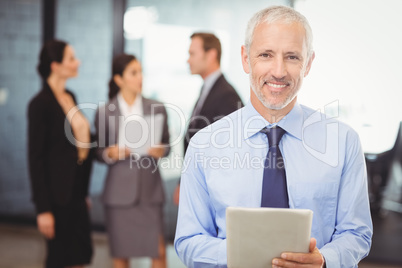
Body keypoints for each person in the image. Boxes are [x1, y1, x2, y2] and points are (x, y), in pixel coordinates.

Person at [174, 5, 372, 268]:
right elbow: (188, 240)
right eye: (266, 54)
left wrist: (324, 260)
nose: (279, 71)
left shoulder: (343, 142)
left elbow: (357, 233)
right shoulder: (203, 145)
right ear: (246, 58)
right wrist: (246, 254)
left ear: (309, 63)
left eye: (292, 57)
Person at [95, 54, 170, 268]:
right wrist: (110, 153)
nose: (140, 77)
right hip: (119, 194)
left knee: (159, 252)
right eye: (133, 73)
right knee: (121, 256)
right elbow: (98, 152)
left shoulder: (157, 107)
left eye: (140, 72)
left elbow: (167, 146)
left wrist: (160, 150)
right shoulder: (104, 112)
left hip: (150, 191)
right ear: (119, 79)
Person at [27, 40, 93, 268]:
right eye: (72, 58)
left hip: (76, 194)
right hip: (56, 198)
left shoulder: (70, 96)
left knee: (81, 256)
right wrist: (43, 209)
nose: (78, 62)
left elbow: (81, 146)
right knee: (60, 260)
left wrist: (82, 192)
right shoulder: (40, 104)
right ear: (55, 66)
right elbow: (35, 159)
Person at [173, 32, 244, 205]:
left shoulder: (226, 95)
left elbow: (227, 154)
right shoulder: (209, 89)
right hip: (200, 187)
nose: (188, 60)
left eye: (192, 54)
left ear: (211, 55)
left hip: (212, 194)